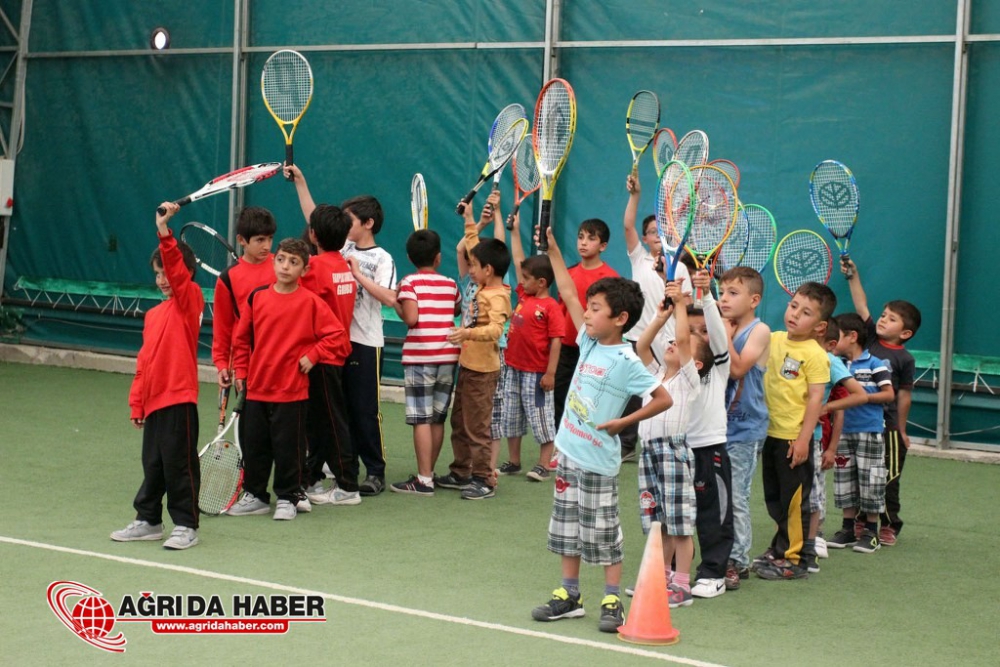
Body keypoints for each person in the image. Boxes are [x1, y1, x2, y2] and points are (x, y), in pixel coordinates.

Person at [530, 227, 672, 635]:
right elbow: (569, 294)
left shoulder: (627, 359)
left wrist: (622, 424)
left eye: (596, 309)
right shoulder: (588, 342)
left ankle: (612, 600)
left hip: (599, 463)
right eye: (588, 308)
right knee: (566, 529)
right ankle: (569, 595)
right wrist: (555, 251)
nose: (587, 313)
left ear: (620, 319)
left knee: (604, 533)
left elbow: (663, 399)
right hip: (569, 456)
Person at [287, 165, 398, 497]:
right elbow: (316, 221)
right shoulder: (341, 249)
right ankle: (330, 469)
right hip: (335, 344)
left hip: (366, 343)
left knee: (365, 411)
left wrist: (357, 276)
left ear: (368, 224)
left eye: (350, 219)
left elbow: (391, 298)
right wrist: (302, 183)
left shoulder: (382, 258)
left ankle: (374, 471)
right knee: (337, 411)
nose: (344, 223)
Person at [228, 238, 349, 521]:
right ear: (273, 261)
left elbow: (338, 337)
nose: (285, 266)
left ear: (304, 270)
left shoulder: (311, 303)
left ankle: (288, 496)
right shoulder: (257, 298)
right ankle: (256, 495)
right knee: (255, 447)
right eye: (281, 259)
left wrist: (314, 354)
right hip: (256, 391)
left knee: (289, 450)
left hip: (292, 393)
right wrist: (242, 373)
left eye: (293, 262)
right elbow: (241, 339)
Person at [111, 202, 204, 550]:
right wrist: (138, 402)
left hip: (180, 399)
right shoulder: (153, 315)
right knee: (153, 464)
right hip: (154, 403)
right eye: (157, 274)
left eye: (167, 272)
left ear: (184, 273)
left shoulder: (189, 300)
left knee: (179, 465)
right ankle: (148, 519)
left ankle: (186, 525)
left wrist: (164, 231)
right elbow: (144, 361)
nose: (163, 279)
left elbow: (177, 271)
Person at [754, 282, 835, 580]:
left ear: (820, 326)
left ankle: (797, 559)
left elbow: (816, 398)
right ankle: (779, 549)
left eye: (806, 313)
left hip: (793, 439)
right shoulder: (772, 339)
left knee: (794, 501)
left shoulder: (815, 354)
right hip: (769, 434)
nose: (795, 314)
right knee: (775, 499)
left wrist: (803, 440)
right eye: (793, 306)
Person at [633, 278, 705, 608]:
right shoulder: (655, 374)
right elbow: (641, 345)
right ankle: (658, 579)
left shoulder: (689, 379)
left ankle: (681, 585)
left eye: (681, 345)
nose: (673, 345)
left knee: (680, 523)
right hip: (648, 453)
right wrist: (660, 316)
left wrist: (679, 304)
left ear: (697, 364)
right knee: (657, 521)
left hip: (673, 453)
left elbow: (682, 340)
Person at [434, 200, 511, 500]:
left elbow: (495, 331)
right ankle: (461, 471)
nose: (470, 268)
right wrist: (470, 218)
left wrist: (467, 332)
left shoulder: (499, 296)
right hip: (467, 367)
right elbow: (472, 244)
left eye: (475, 266)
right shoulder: (481, 284)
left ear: (488, 270)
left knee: (477, 427)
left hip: (484, 371)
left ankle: (483, 478)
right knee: (459, 421)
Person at [841, 259, 920, 546]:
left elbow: (904, 395)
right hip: (861, 423)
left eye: (891, 318)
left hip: (887, 428)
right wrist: (853, 276)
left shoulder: (905, 359)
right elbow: (862, 305)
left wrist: (901, 429)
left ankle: (889, 525)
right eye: (884, 315)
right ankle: (860, 522)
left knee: (887, 477)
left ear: (905, 333)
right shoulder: (870, 338)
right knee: (861, 473)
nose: (883, 319)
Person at [620, 172, 692, 462]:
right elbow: (627, 225)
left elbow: (687, 304)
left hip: (667, 340)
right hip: (637, 338)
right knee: (629, 391)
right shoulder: (639, 258)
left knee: (662, 390)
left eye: (664, 231)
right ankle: (625, 445)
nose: (658, 235)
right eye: (652, 231)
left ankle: (666, 436)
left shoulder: (682, 269)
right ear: (646, 238)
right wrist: (635, 195)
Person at [389, 228, 462, 496]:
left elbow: (410, 318)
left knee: (421, 418)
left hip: (421, 357)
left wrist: (397, 302)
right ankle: (427, 473)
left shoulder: (409, 283)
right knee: (437, 418)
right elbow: (455, 308)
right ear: (439, 258)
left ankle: (424, 480)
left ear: (409, 256)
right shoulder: (451, 284)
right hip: (447, 356)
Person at [297, 203, 360, 507]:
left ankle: (348, 485)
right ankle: (311, 477)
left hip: (322, 357)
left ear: (312, 235)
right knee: (323, 422)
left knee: (332, 422)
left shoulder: (316, 267)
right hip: (335, 355)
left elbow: (291, 291)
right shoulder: (342, 266)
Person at [495, 210, 564, 481]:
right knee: (511, 416)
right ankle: (513, 461)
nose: (520, 282)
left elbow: (556, 342)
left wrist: (550, 373)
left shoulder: (550, 307)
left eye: (526, 278)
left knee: (541, 418)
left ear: (542, 282)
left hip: (537, 373)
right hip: (513, 367)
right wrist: (514, 232)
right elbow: (518, 259)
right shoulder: (526, 294)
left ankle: (544, 464)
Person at [715, 267, 771, 589]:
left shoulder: (759, 330)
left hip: (744, 430)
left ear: (754, 300)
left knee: (736, 496)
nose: (724, 299)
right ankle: (720, 553)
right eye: (721, 292)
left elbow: (737, 369)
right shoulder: (724, 324)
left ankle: (737, 561)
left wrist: (722, 328)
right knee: (715, 495)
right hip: (714, 428)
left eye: (733, 293)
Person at [683, 270, 735, 599]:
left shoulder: (718, 367)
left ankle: (713, 572)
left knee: (713, 513)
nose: (698, 336)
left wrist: (705, 297)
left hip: (709, 449)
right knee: (673, 514)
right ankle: (673, 574)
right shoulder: (671, 367)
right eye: (689, 331)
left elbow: (716, 334)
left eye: (702, 330)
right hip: (675, 450)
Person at [826, 312, 895, 553]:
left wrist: (862, 398)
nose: (831, 340)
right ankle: (847, 529)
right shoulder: (835, 364)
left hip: (870, 431)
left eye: (837, 336)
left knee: (871, 480)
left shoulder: (875, 364)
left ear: (852, 337)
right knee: (844, 479)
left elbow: (889, 394)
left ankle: (871, 533)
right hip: (842, 432)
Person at [552, 219, 619, 434]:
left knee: (588, 401)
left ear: (603, 246)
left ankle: (587, 441)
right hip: (566, 349)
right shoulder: (568, 274)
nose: (583, 242)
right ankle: (559, 446)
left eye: (591, 238)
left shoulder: (610, 278)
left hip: (595, 351)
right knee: (560, 397)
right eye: (580, 237)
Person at [811, 317, 868, 570]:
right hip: (786, 436)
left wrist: (832, 448)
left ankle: (817, 534)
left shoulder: (830, 364)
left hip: (818, 439)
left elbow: (842, 409)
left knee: (816, 488)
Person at [211, 206, 277, 391]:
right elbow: (222, 326)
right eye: (260, 240)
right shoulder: (227, 278)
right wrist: (222, 363)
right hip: (246, 366)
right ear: (241, 240)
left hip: (282, 362)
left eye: (270, 238)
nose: (267, 246)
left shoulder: (282, 266)